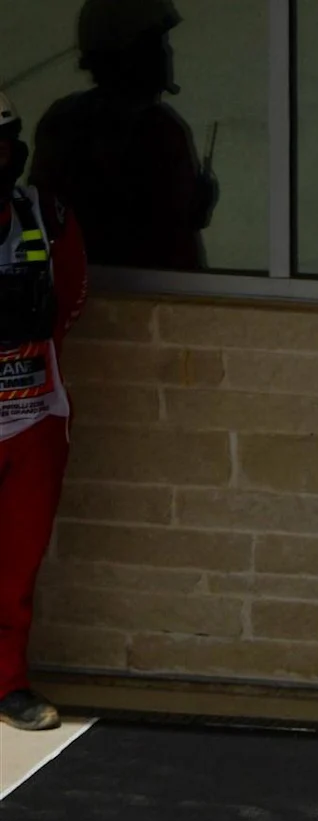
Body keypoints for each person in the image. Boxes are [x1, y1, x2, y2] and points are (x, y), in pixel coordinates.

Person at [0, 88, 84, 735]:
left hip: (32, 422)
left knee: (16, 567)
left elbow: (73, 297)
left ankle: (7, 683)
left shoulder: (47, 216)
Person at [33, 0, 219, 272]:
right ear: (133, 54)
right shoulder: (159, 130)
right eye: (157, 42)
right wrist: (193, 210)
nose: (167, 51)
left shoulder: (61, 120)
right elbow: (166, 237)